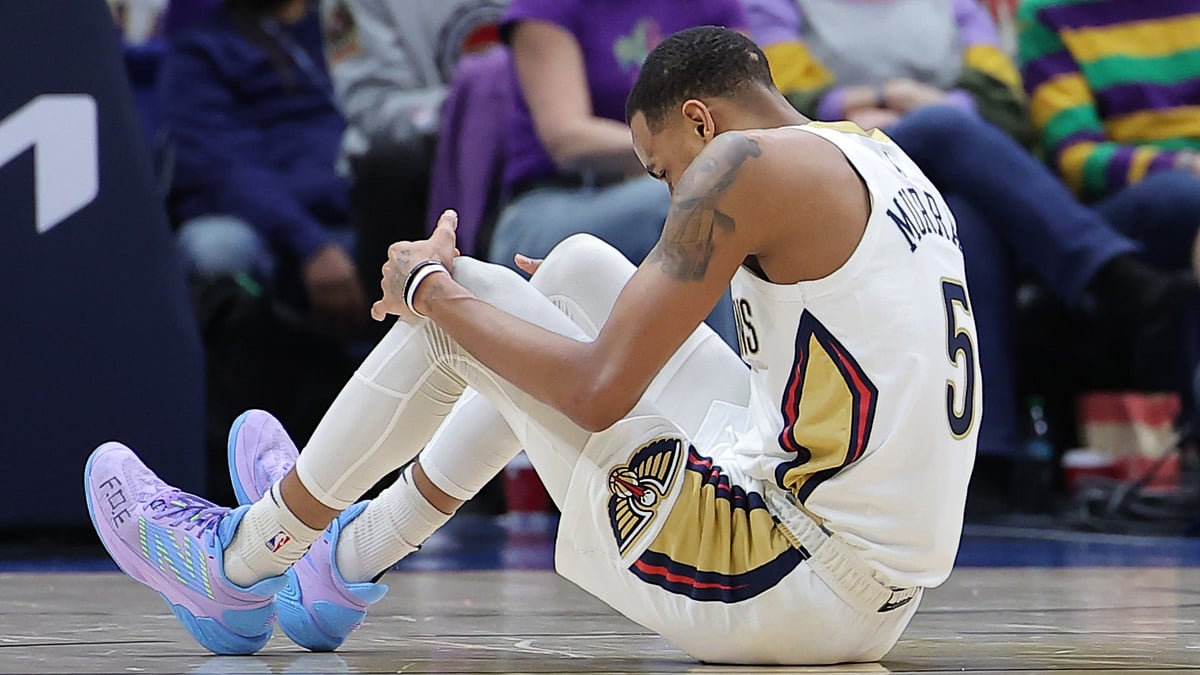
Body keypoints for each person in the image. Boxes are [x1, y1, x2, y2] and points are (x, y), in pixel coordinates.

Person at [85, 27, 976, 663]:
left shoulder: (740, 168)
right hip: (868, 591)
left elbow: (594, 392)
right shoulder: (873, 154)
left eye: (662, 169)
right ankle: (344, 562)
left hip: (780, 581)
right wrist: (538, 318)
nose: (672, 190)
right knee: (579, 267)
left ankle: (244, 559)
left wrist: (433, 292)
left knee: (468, 296)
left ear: (700, 123)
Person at [745, 0, 1197, 499]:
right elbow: (780, 102)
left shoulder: (956, 4)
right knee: (944, 128)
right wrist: (890, 100)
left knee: (967, 221)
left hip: (950, 173)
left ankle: (988, 463)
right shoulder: (776, 5)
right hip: (837, 163)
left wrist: (891, 102)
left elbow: (1002, 102)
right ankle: (1111, 276)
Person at [489, 0, 746, 346]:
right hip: (555, 202)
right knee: (695, 201)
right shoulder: (545, 6)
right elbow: (568, 138)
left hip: (678, 184)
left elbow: (744, 108)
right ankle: (731, 387)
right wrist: (681, 152)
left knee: (753, 194)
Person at [1018, 0, 1200, 390]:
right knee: (1183, 196)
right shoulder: (1049, 13)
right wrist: (1181, 164)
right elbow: (1078, 160)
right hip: (1124, 203)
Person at [161, 0, 367, 334]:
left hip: (361, 205)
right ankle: (242, 377)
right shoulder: (202, 50)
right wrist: (311, 243)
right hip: (268, 228)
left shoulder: (349, 28)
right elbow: (223, 167)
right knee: (218, 247)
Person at [320, 0, 509, 301]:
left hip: (521, 135)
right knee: (389, 165)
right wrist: (472, 103)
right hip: (418, 158)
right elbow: (372, 107)